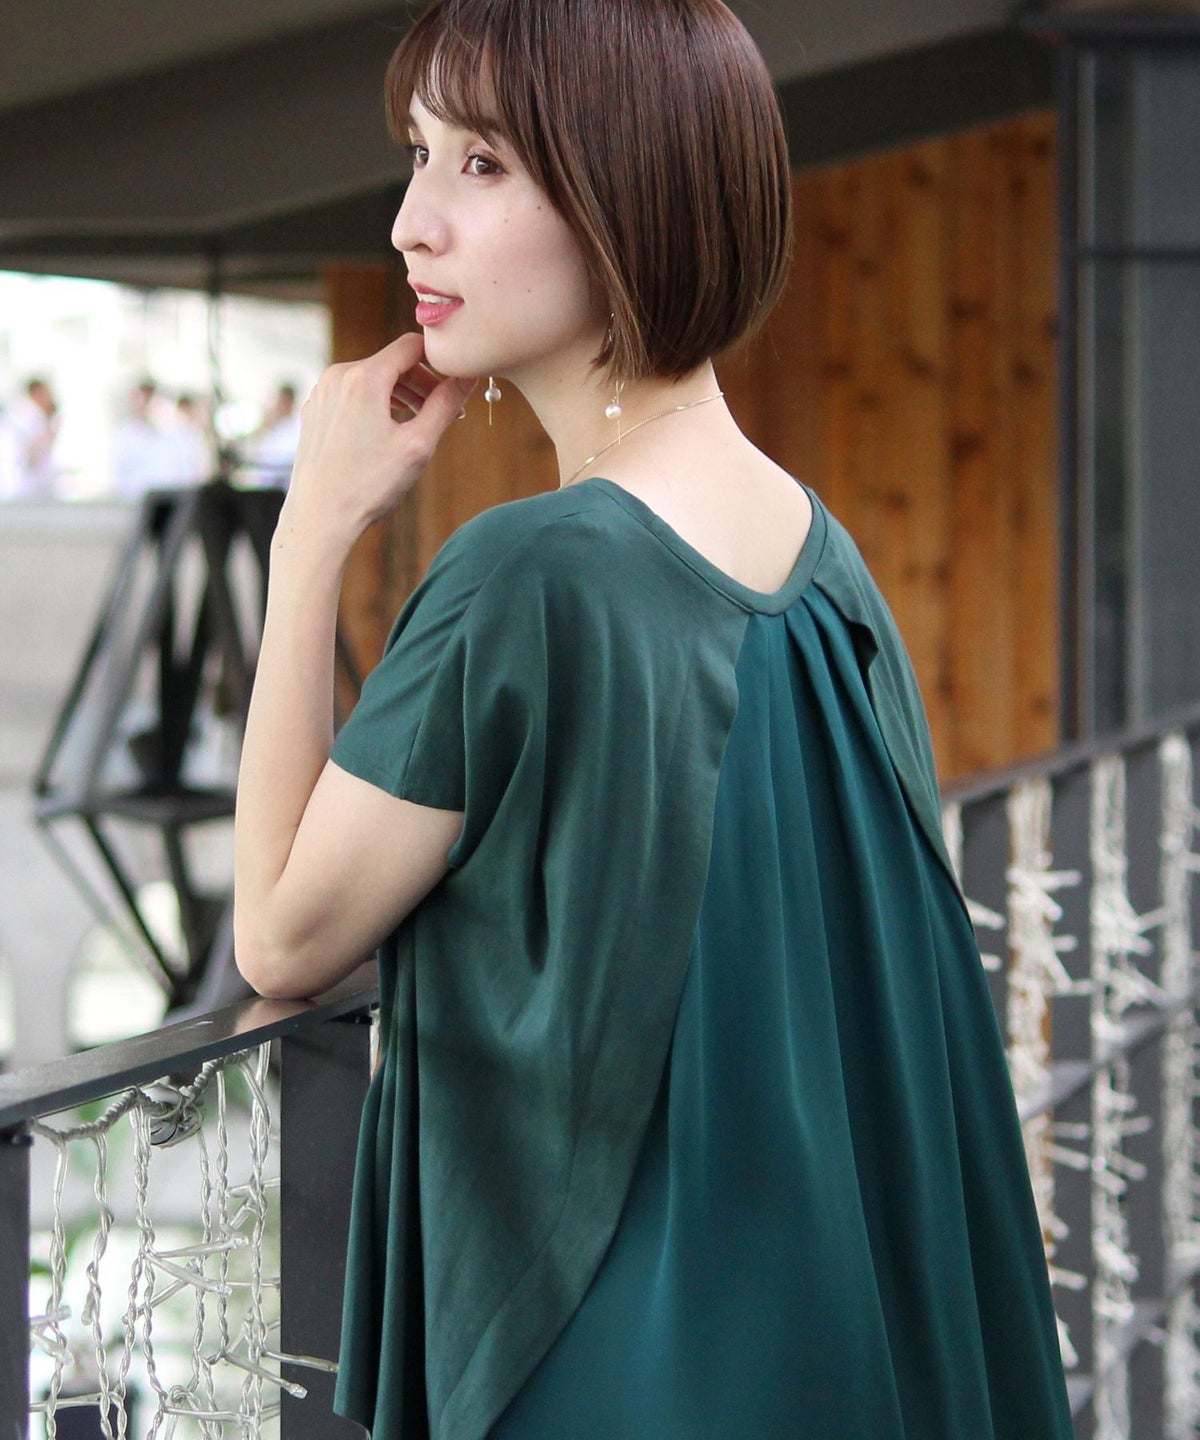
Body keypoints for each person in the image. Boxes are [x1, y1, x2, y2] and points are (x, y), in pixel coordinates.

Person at [233, 1, 1074, 1437]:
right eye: (420, 156)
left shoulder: (532, 572)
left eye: (483, 164)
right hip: (820, 1337)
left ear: (628, 194)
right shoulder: (821, 557)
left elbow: (282, 937)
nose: (414, 224)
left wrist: (310, 532)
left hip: (619, 1352)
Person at [0, 378, 61, 499]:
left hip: (34, 488)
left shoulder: (37, 418)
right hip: (26, 490)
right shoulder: (27, 418)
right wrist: (50, 434)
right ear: (37, 393)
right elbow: (30, 456)